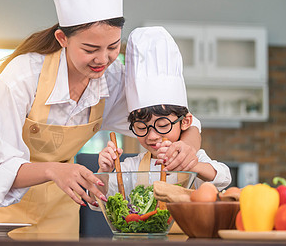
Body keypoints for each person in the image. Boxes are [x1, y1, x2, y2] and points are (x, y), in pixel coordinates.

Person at [0, 0, 202, 236]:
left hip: (57, 213)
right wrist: (54, 170)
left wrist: (189, 148)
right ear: (63, 38)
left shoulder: (112, 81)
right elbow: (0, 168)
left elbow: (178, 121)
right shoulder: (21, 78)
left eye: (112, 47)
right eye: (90, 49)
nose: (103, 59)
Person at [98, 27, 231, 190]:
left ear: (185, 121)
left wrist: (191, 166)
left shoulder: (195, 157)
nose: (152, 136)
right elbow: (97, 201)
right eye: (141, 128)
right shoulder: (132, 167)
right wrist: (104, 171)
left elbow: (223, 178)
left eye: (162, 125)